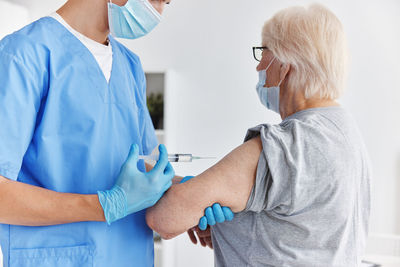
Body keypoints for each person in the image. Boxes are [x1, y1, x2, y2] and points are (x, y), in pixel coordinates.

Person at [0, 0, 229, 266]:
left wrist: (189, 197)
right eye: (159, 0)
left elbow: (140, 175)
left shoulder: (129, 66)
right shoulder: (23, 54)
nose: (159, 12)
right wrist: (106, 205)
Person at [146, 4, 371, 266]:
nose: (258, 67)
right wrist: (216, 214)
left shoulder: (287, 146)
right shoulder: (346, 133)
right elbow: (293, 225)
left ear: (286, 64)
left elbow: (165, 218)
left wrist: (189, 200)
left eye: (263, 52)